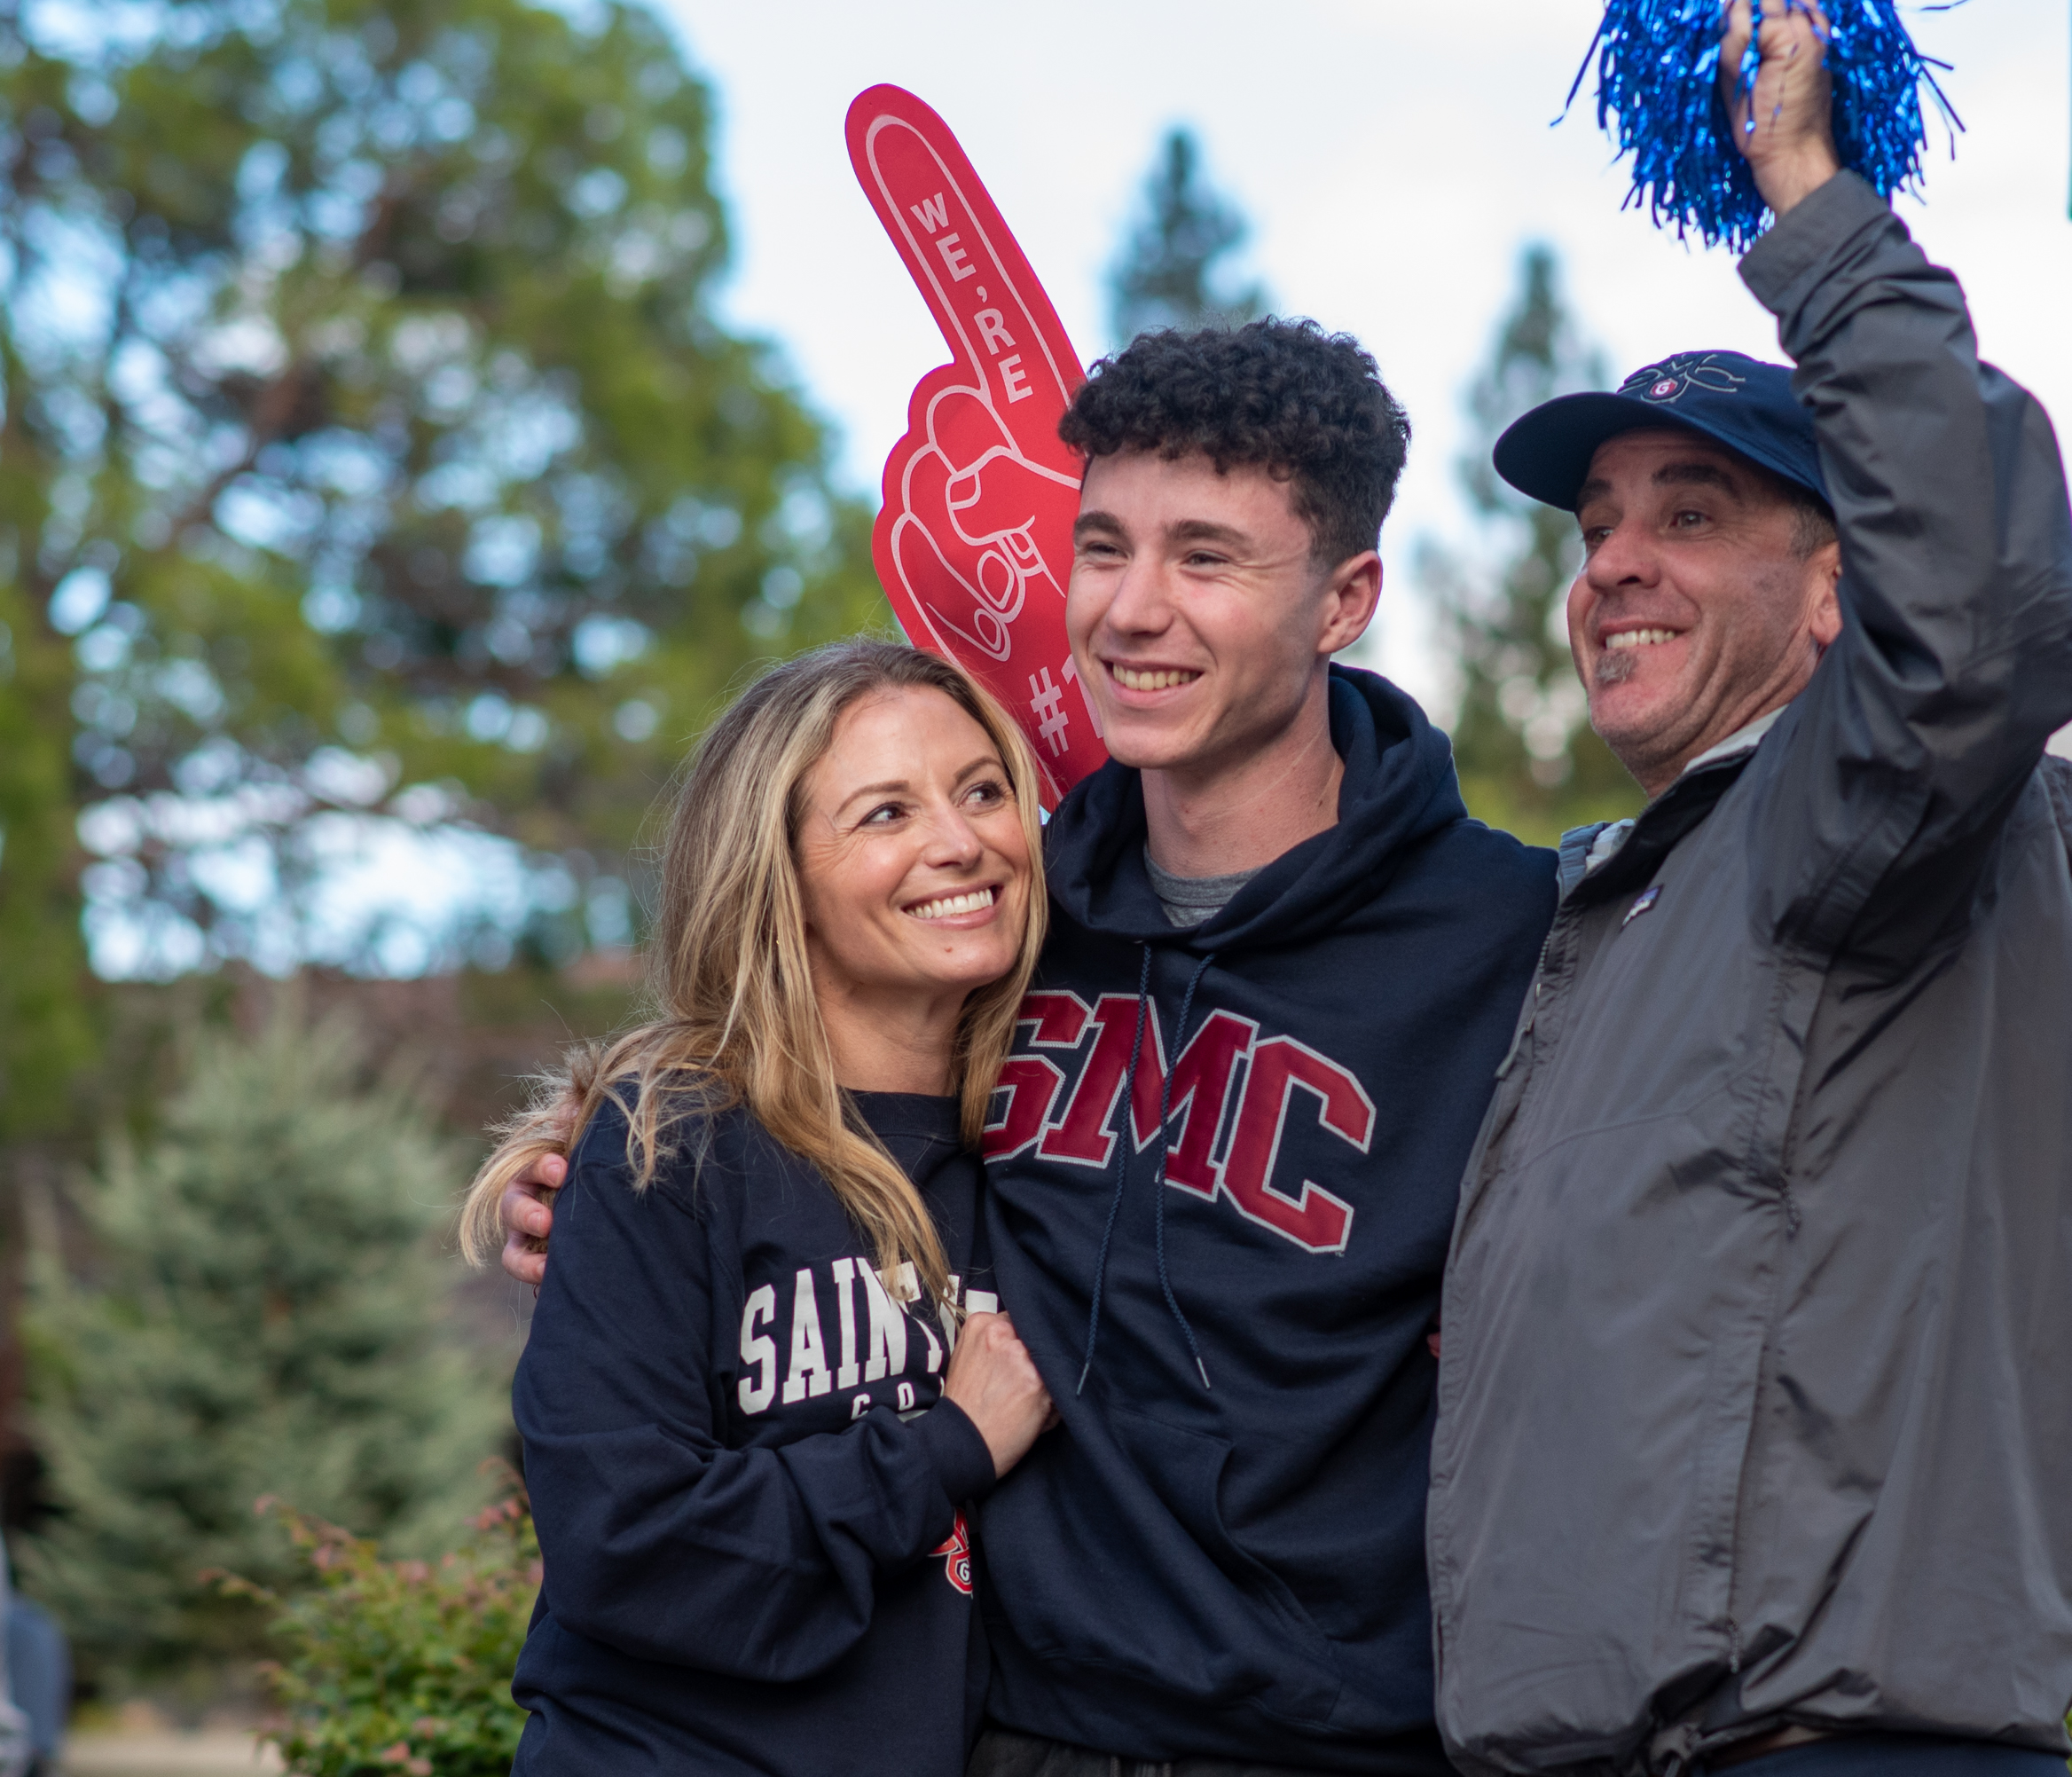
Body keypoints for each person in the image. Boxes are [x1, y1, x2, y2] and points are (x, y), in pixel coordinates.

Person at [495, 324, 1559, 1777]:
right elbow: (803, 1094)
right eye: (1103, 545)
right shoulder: (1017, 915)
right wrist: (609, 1185)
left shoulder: (1512, 933)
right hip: (1012, 1729)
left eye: (1205, 558)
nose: (1132, 608)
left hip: (1331, 1734)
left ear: (1344, 598)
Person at [1425, 12, 2072, 1777]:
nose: (1615, 559)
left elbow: (1978, 615)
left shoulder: (1851, 820)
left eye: (1691, 515)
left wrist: (1815, 205)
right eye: (1597, 522)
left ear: (1842, 591)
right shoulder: (1643, 896)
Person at [463, 639, 1058, 1777]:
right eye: (885, 812)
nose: (959, 839)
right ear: (777, 871)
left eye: (983, 790)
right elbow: (629, 1545)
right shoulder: (669, 1142)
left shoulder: (1050, 1148)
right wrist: (946, 1445)